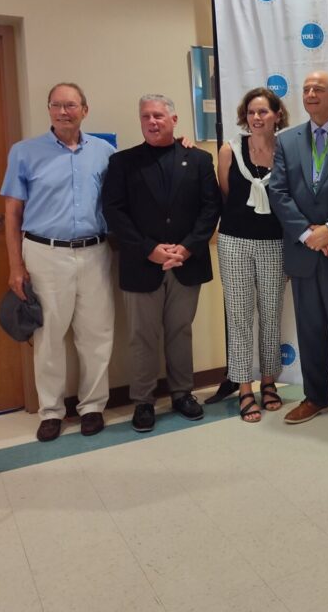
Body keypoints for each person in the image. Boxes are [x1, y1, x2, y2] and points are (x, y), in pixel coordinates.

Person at [1, 82, 115, 442]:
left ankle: (93, 406)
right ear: (48, 110)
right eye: (56, 105)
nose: (63, 112)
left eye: (70, 105)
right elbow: (12, 213)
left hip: (96, 251)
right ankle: (51, 410)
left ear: (85, 109)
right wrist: (15, 266)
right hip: (44, 253)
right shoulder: (24, 152)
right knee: (49, 335)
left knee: (96, 332)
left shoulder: (105, 152)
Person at [102, 94, 221, 433]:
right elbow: (114, 212)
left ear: (174, 120)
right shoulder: (123, 163)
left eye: (158, 115)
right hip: (142, 264)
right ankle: (143, 400)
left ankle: (182, 393)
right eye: (145, 117)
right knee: (142, 336)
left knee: (181, 332)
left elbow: (210, 208)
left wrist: (187, 248)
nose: (151, 121)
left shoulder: (198, 160)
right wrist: (149, 249)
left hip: (187, 263)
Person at [267, 71, 328, 429]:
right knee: (309, 330)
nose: (310, 93)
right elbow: (277, 191)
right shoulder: (287, 139)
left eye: (318, 89)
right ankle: (316, 397)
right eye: (306, 88)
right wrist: (308, 235)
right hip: (304, 252)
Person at [216, 88, 289, 422]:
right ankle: (245, 388)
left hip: (274, 242)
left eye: (263, 112)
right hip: (235, 242)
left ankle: (269, 382)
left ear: (277, 115)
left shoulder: (287, 151)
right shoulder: (229, 151)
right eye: (251, 112)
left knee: (272, 314)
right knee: (240, 315)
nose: (257, 118)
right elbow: (228, 195)